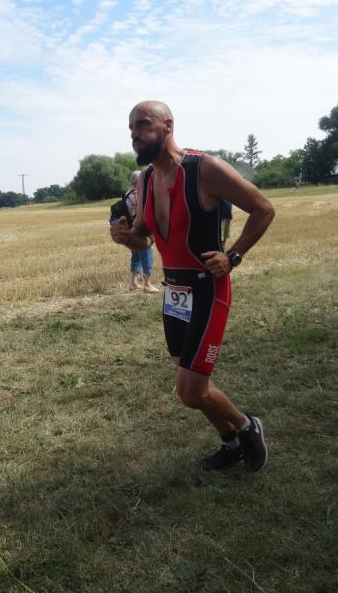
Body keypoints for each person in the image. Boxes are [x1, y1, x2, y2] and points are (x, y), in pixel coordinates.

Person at [110, 100, 275, 472]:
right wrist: (124, 237)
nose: (135, 135)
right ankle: (231, 443)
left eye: (143, 124)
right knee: (190, 378)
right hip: (174, 292)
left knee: (190, 390)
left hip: (207, 289)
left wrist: (233, 256)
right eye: (131, 128)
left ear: (168, 125)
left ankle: (248, 426)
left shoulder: (204, 169)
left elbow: (264, 208)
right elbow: (143, 238)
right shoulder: (146, 179)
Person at [124, 170, 159, 293]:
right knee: (147, 253)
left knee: (135, 254)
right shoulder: (139, 194)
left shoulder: (127, 193)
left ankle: (133, 282)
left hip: (130, 229)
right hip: (141, 228)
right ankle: (147, 284)